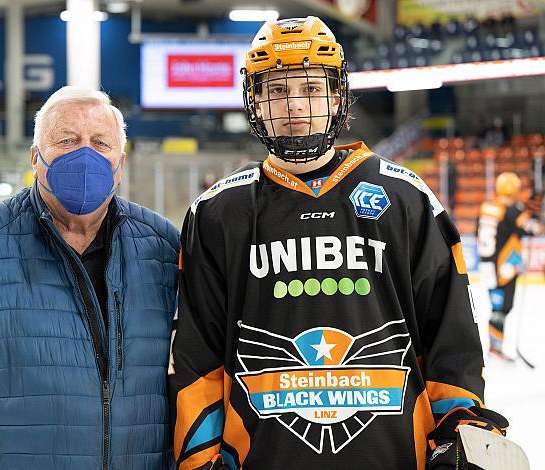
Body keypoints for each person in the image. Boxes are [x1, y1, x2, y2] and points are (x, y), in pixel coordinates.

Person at [169, 17, 508, 470]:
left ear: (337, 96)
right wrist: (199, 461)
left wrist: (460, 437)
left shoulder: (406, 197)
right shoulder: (218, 212)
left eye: (310, 89)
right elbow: (198, 357)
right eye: (277, 90)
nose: (295, 105)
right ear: (254, 100)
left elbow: (452, 339)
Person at [0, 86, 180, 469]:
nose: (85, 153)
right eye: (67, 140)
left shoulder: (165, 249)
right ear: (35, 158)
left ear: (120, 164)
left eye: (100, 142)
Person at [477, 172, 542, 358]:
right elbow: (533, 228)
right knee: (502, 307)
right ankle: (495, 347)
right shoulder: (512, 210)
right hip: (504, 267)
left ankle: (495, 345)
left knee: (496, 306)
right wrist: (534, 215)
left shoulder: (486, 207)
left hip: (486, 265)